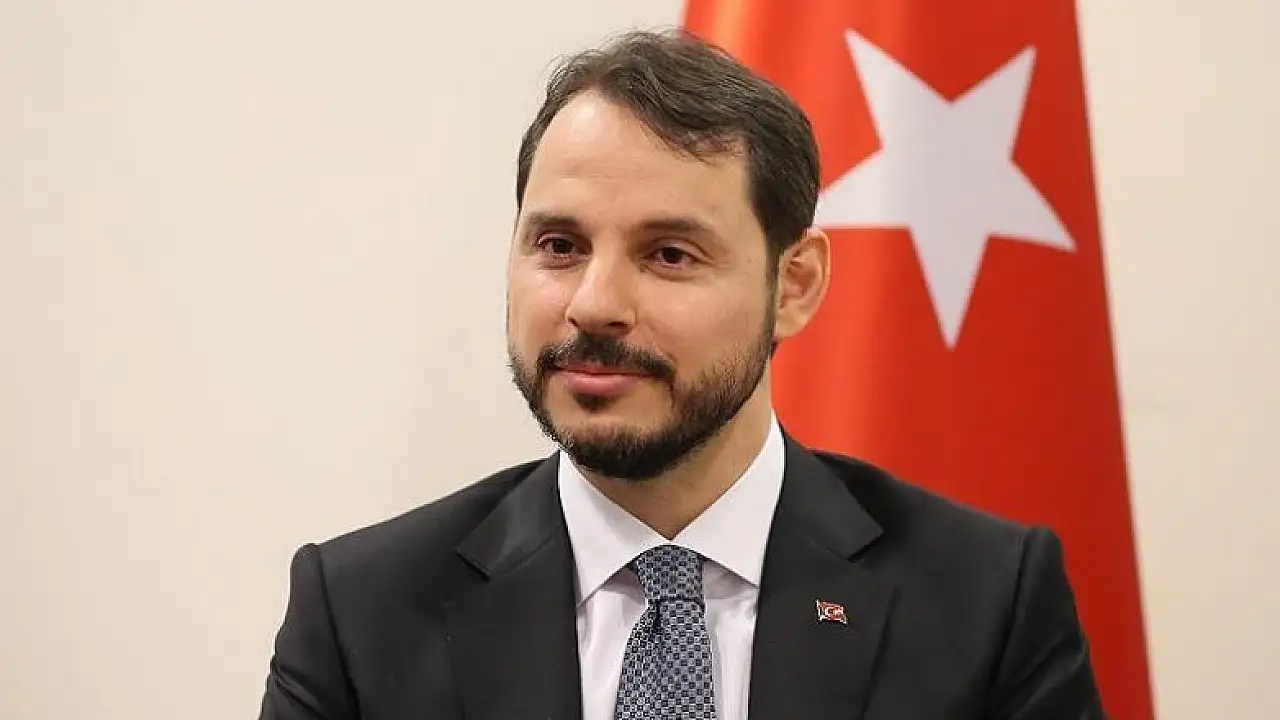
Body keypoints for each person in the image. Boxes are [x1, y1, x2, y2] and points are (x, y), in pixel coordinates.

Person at [257, 28, 1105, 720]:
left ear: (794, 286)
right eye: (560, 245)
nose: (594, 305)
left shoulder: (984, 603)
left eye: (669, 254)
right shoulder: (361, 614)